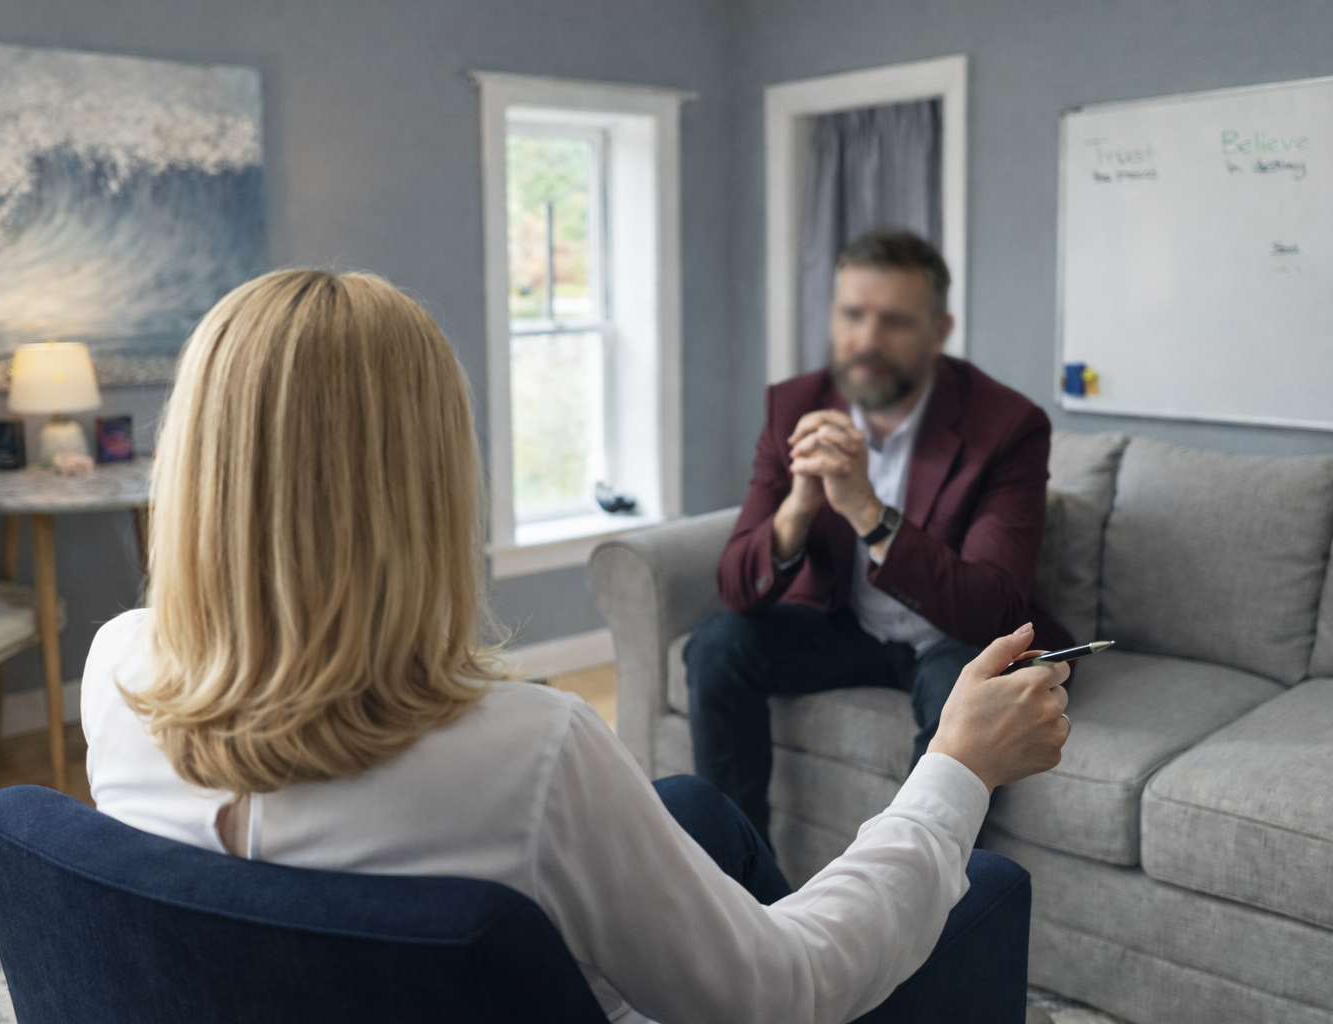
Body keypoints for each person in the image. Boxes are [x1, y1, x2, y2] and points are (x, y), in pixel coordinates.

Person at [81, 268, 1071, 1024]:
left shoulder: (113, 668)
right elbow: (788, 990)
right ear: (427, 484)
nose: (867, 338)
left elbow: (989, 592)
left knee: (691, 811)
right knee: (979, 886)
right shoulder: (530, 753)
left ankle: (729, 902)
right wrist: (955, 766)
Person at [686, 229, 1074, 848]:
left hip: (955, 639)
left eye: (893, 321)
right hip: (847, 628)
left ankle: (910, 903)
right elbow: (738, 586)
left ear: (937, 332)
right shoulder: (796, 407)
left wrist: (868, 511)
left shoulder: (1007, 426)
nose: (866, 341)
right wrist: (799, 506)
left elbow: (993, 605)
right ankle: (739, 885)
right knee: (717, 645)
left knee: (961, 691)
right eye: (852, 315)